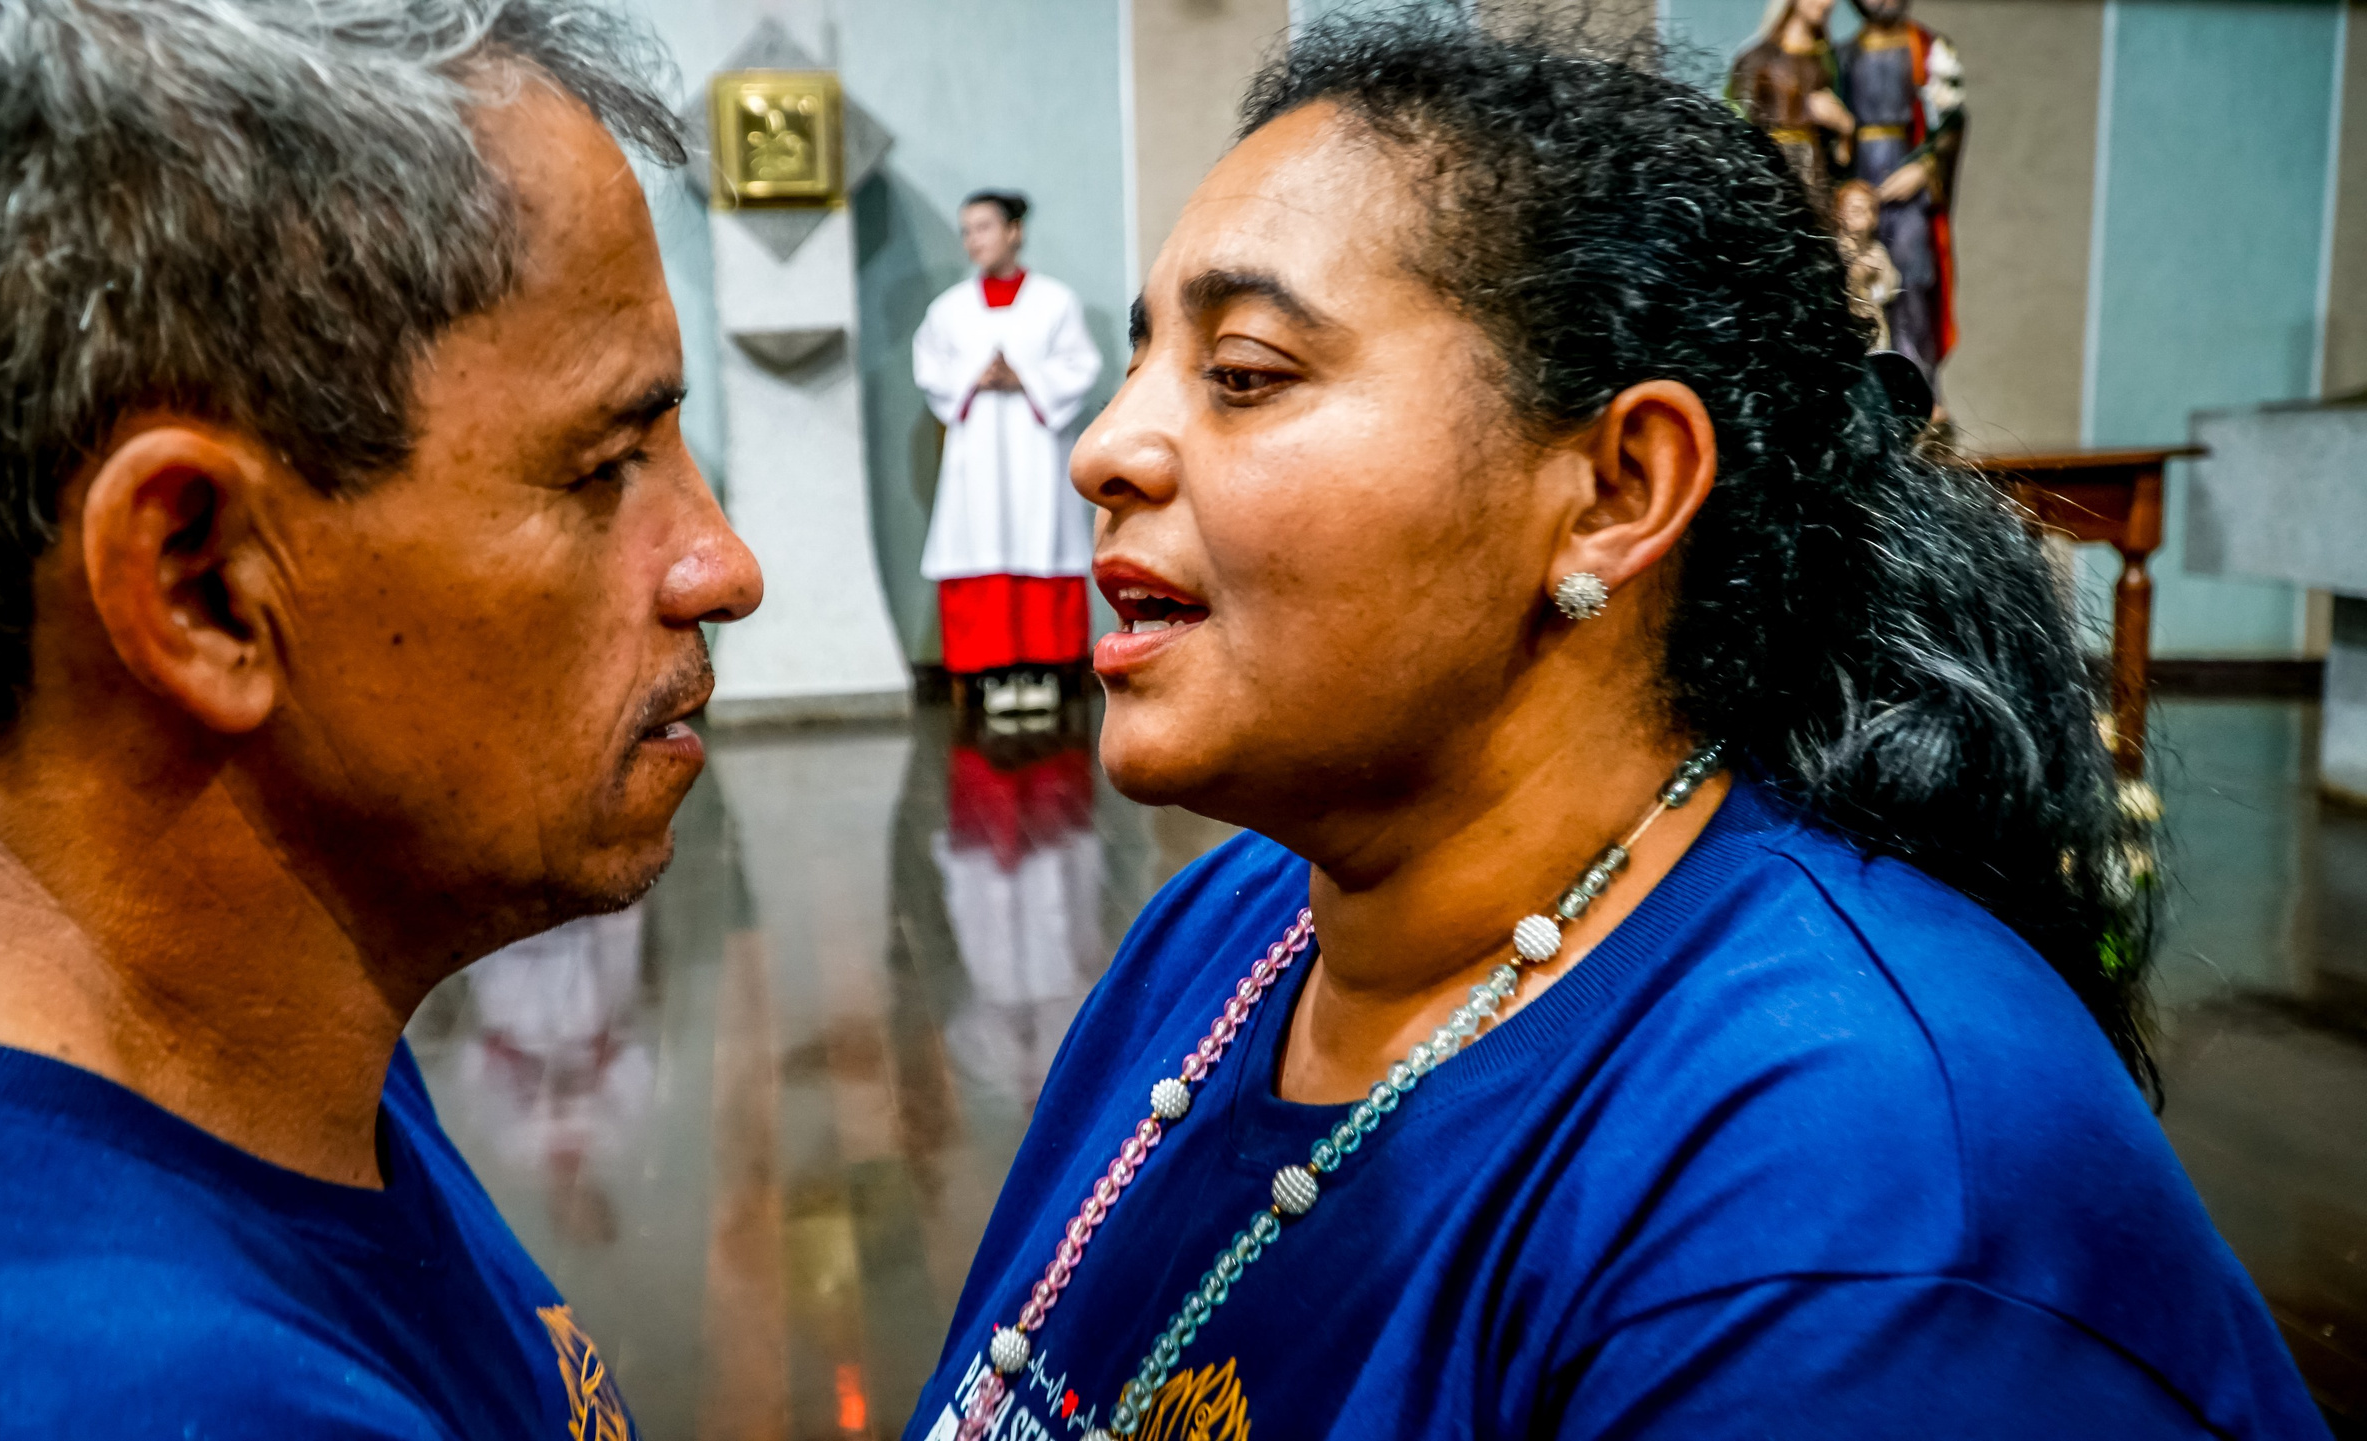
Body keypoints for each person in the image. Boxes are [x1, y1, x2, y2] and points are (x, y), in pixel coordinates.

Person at [909, 16, 2328, 1441]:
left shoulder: (1861, 1191)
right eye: (1143, 360)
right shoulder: (1229, 926)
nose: (1104, 447)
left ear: (1614, 491)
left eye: (1244, 371)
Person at [0, 2, 759, 1435]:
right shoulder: (139, 1393)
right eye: (605, 463)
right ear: (201, 584)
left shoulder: (250, 1048)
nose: (721, 567)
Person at [915, 191, 1106, 719]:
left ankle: (1045, 669)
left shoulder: (1055, 302)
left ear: (1014, 231)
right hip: (976, 452)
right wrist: (975, 377)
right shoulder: (949, 309)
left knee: (1040, 538)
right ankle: (989, 672)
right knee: (979, 541)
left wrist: (1023, 377)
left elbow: (1080, 366)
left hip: (1035, 449)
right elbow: (930, 369)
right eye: (967, 230)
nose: (973, 240)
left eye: (984, 227)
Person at [1834, 0, 1965, 384]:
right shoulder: (1845, 54)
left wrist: (1925, 167)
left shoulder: (1925, 48)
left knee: (1911, 275)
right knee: (1858, 277)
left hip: (1907, 181)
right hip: (1862, 176)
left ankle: (1917, 380)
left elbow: (1950, 122)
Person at [1725, 0, 1849, 202]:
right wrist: (1803, 108)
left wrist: (1844, 127)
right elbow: (1735, 124)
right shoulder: (1756, 57)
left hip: (1815, 176)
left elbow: (1838, 151)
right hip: (1769, 171)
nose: (1826, 3)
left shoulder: (1827, 60)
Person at [1835, 179, 1904, 349]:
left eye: (1868, 211)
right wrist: (1855, 278)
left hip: (1873, 327)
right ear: (1839, 214)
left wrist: (1875, 280)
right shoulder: (1835, 250)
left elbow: (1889, 289)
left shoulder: (1876, 252)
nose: (1863, 218)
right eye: (1855, 211)